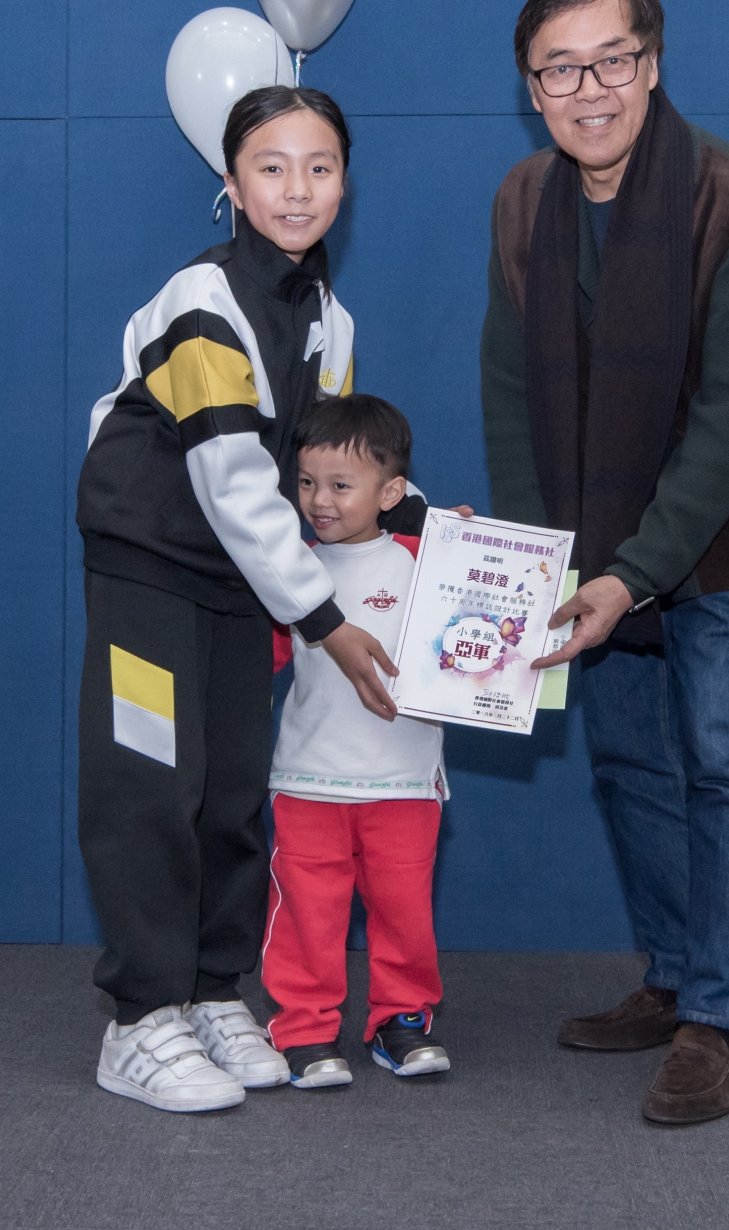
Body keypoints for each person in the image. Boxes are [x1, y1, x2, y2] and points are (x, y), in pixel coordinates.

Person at [482, 0, 729, 1125]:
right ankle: (673, 976)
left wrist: (633, 572)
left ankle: (721, 1015)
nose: (588, 91)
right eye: (558, 70)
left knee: (726, 763)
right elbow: (507, 385)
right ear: (531, 90)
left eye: (609, 60)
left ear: (652, 64)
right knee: (627, 766)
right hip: (590, 540)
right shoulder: (522, 200)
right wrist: (537, 561)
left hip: (717, 537)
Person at [75, 85, 404, 1113]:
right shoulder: (202, 300)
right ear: (230, 183)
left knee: (229, 789)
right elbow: (232, 480)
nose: (297, 188)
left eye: (320, 166)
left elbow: (325, 476)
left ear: (344, 184)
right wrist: (327, 622)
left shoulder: (331, 321)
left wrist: (428, 527)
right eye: (271, 166)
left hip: (237, 582)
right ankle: (140, 1015)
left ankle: (212, 987)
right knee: (148, 783)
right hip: (148, 562)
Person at [261, 394, 451, 1089]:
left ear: (391, 493)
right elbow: (261, 663)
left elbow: (492, 601)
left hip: (406, 782)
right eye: (307, 482)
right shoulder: (289, 573)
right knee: (307, 912)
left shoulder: (427, 561)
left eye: (341, 485)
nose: (320, 501)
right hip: (307, 781)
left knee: (405, 910)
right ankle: (304, 1029)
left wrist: (467, 547)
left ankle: (402, 1021)